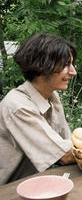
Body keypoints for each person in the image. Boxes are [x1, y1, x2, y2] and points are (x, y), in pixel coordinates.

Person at [0, 33, 77, 184]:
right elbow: (65, 155)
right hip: (8, 190)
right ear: (43, 66)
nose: (73, 72)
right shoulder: (17, 105)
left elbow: (68, 143)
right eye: (66, 64)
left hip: (35, 182)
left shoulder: (52, 97)